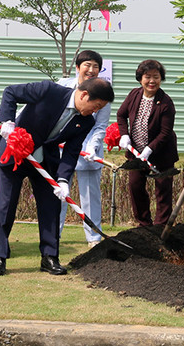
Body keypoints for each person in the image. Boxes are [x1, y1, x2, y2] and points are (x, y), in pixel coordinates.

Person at [0, 78, 114, 276]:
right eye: (96, 106)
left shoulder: (85, 121)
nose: (95, 112)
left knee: (51, 208)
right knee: (6, 206)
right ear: (84, 95)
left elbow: (72, 152)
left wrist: (63, 180)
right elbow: (10, 92)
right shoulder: (48, 91)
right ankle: (0, 257)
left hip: (45, 162)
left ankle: (49, 258)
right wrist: (7, 122)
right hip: (16, 152)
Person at [57, 50, 112, 249]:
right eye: (87, 65)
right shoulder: (62, 86)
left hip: (88, 153)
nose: (91, 70)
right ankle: (55, 235)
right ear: (78, 67)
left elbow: (100, 125)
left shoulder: (104, 90)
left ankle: (94, 238)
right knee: (60, 194)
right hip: (62, 151)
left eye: (96, 66)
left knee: (90, 198)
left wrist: (91, 146)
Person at [116, 59, 179, 226]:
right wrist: (124, 135)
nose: (152, 81)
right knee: (135, 186)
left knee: (163, 190)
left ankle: (161, 226)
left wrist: (149, 149)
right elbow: (121, 115)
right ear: (140, 78)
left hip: (161, 154)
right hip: (136, 153)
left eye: (156, 77)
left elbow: (165, 132)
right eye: (148, 77)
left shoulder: (166, 102)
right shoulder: (134, 95)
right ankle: (144, 224)